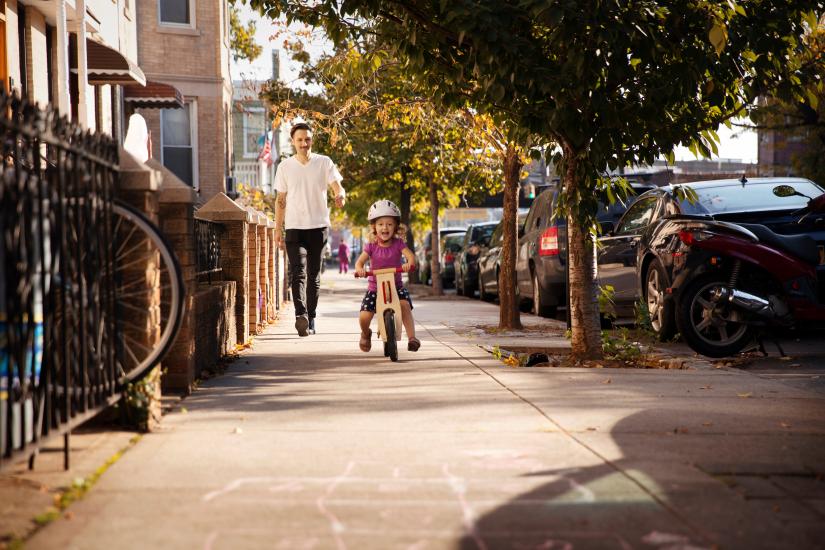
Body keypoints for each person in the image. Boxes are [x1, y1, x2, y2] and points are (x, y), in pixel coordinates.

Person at [274, 122, 346, 336]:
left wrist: (340, 194)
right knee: (298, 273)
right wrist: (278, 228)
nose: (304, 143)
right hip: (294, 228)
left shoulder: (324, 162)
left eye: (307, 139)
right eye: (300, 140)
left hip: (318, 228)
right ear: (293, 142)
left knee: (313, 275)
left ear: (311, 140)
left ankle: (311, 317)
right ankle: (301, 316)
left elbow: (336, 185)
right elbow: (280, 200)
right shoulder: (284, 167)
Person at [354, 200, 420, 353]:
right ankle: (366, 333)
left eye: (389, 224)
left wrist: (408, 264)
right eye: (381, 224)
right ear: (374, 227)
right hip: (374, 288)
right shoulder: (371, 246)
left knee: (404, 305)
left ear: (396, 227)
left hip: (395, 287)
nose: (385, 227)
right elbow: (359, 262)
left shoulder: (398, 244)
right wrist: (360, 270)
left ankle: (412, 338)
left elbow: (411, 257)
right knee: (364, 316)